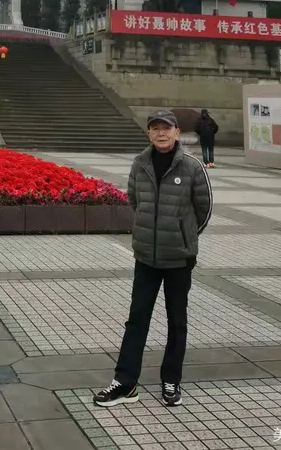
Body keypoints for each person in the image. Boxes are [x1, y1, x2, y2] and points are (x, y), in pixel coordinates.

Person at [94, 109, 212, 410]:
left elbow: (204, 209)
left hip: (179, 258)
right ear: (149, 133)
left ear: (176, 132)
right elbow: (134, 201)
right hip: (145, 257)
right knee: (137, 320)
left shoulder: (192, 167)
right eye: (155, 128)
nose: (161, 133)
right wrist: (149, 234)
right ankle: (125, 382)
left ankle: (171, 379)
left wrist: (183, 237)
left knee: (177, 321)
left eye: (166, 128)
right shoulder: (140, 164)